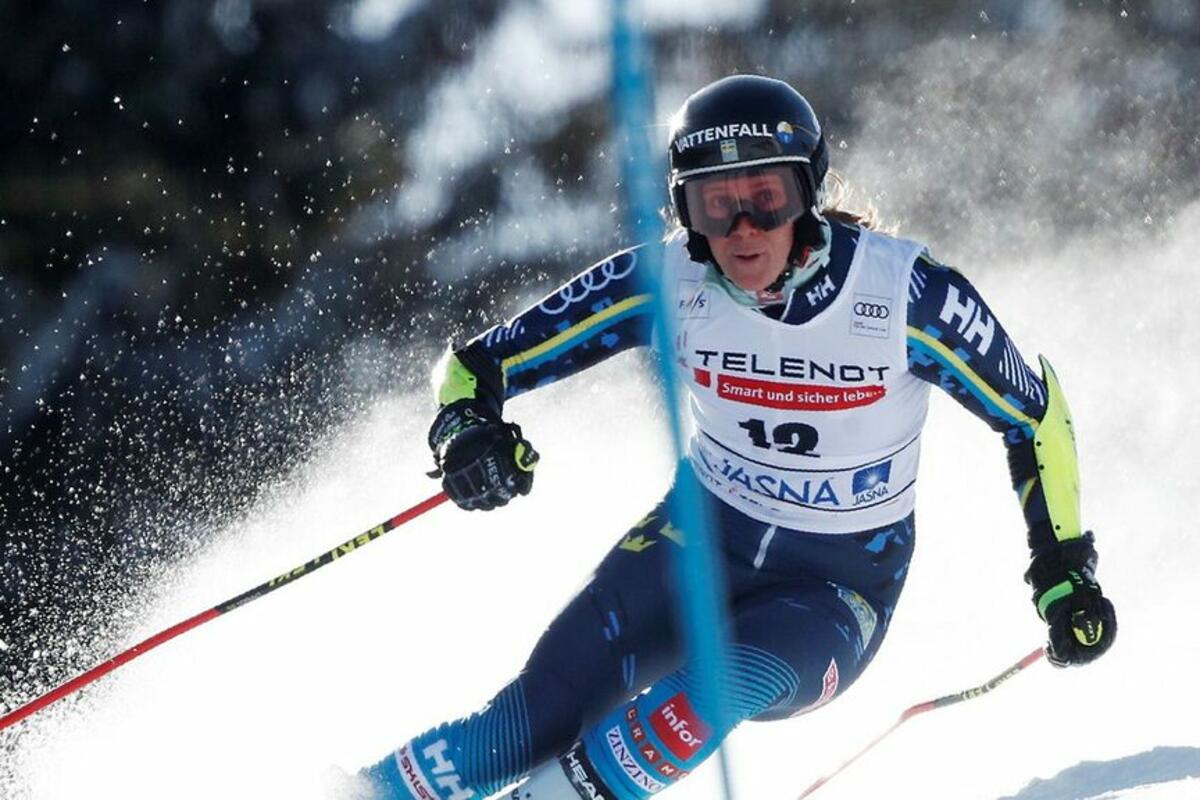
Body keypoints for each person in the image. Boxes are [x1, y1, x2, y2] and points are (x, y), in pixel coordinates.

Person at [351, 74, 1116, 800]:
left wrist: (1064, 571)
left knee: (707, 692)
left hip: (833, 590)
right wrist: (466, 432)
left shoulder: (905, 295)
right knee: (525, 725)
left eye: (766, 199)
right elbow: (474, 366)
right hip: (692, 543)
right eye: (715, 206)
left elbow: (1031, 415)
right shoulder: (668, 281)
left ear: (808, 194)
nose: (743, 229)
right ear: (685, 211)